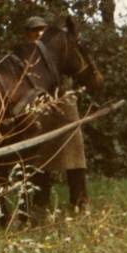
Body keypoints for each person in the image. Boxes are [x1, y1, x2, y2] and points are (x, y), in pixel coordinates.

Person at [23, 16, 89, 210]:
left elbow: (73, 70)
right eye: (34, 30)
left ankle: (80, 201)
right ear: (27, 34)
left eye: (42, 30)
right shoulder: (28, 56)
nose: (38, 33)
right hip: (41, 108)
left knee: (75, 156)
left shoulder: (58, 51)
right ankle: (40, 202)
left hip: (66, 106)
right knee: (41, 158)